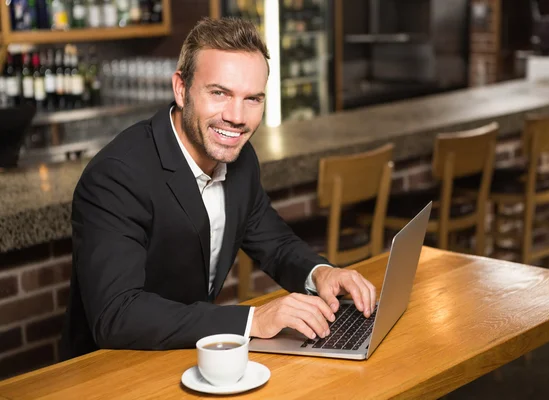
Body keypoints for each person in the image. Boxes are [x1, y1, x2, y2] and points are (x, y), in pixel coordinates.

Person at [60, 17, 376, 360]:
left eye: (252, 99)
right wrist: (253, 319)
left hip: (191, 357)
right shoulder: (116, 175)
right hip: (110, 371)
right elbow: (116, 314)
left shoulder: (241, 159)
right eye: (220, 93)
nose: (237, 117)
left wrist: (322, 274)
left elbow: (275, 242)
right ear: (181, 89)